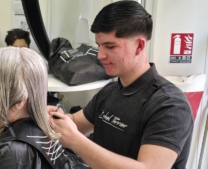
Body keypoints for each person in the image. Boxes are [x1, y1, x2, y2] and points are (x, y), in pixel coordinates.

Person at [48, 1, 194, 169]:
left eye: (110, 46)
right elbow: (75, 123)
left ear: (139, 46)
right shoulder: (110, 92)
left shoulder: (170, 105)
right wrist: (54, 116)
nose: (100, 55)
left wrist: (76, 142)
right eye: (99, 46)